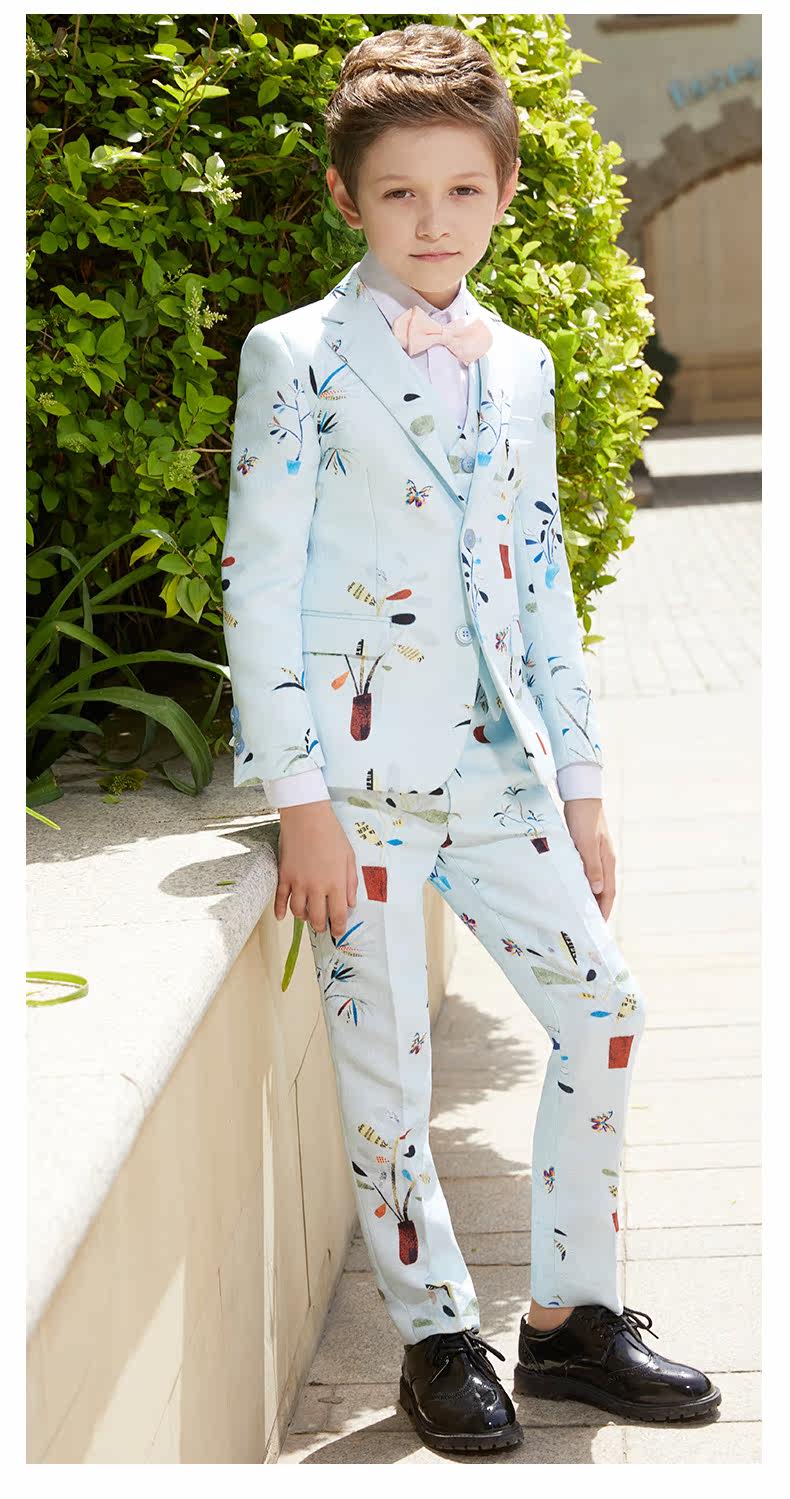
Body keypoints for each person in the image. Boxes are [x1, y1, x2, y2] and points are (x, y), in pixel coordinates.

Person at [222, 22, 721, 1456]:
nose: (432, 221)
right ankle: (437, 1337)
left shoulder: (521, 363)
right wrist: (299, 798)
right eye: (399, 193)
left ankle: (568, 1320)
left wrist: (582, 781)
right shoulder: (296, 356)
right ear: (347, 198)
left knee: (603, 1007)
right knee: (387, 1072)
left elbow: (540, 576)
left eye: (459, 190)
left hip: (501, 767)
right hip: (358, 785)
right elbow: (258, 581)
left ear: (504, 191)